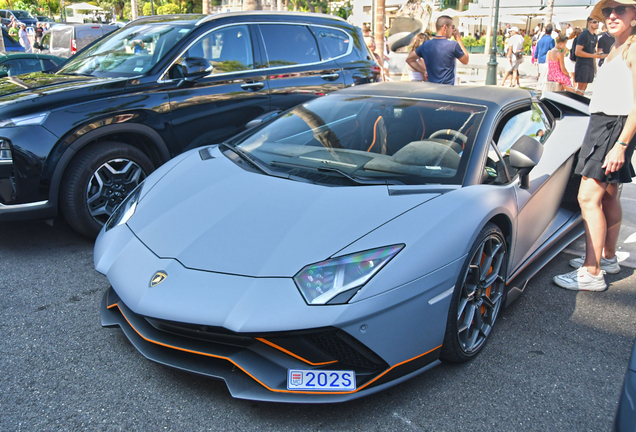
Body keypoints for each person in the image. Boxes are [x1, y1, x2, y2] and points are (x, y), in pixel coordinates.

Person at [553, 0, 636, 291]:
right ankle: (607, 258)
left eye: (621, 9)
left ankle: (592, 272)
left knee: (588, 198)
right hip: (604, 124)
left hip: (614, 128)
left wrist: (621, 145)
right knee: (609, 195)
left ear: (635, 15)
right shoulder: (615, 44)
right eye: (608, 10)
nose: (612, 15)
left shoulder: (633, 48)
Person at [405, 15, 469, 85]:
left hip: (432, 89)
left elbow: (409, 59)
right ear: (445, 27)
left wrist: (424, 71)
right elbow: (465, 60)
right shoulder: (453, 45)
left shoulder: (426, 45)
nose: (453, 30)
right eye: (452, 27)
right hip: (448, 89)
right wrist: (458, 39)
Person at [575, 16, 605, 92]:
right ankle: (577, 102)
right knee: (580, 87)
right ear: (589, 23)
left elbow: (593, 51)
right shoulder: (584, 35)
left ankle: (580, 102)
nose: (597, 24)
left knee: (584, 87)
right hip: (582, 64)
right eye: (594, 22)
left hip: (590, 64)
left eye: (598, 22)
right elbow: (577, 52)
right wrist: (592, 55)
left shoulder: (595, 36)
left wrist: (595, 67)